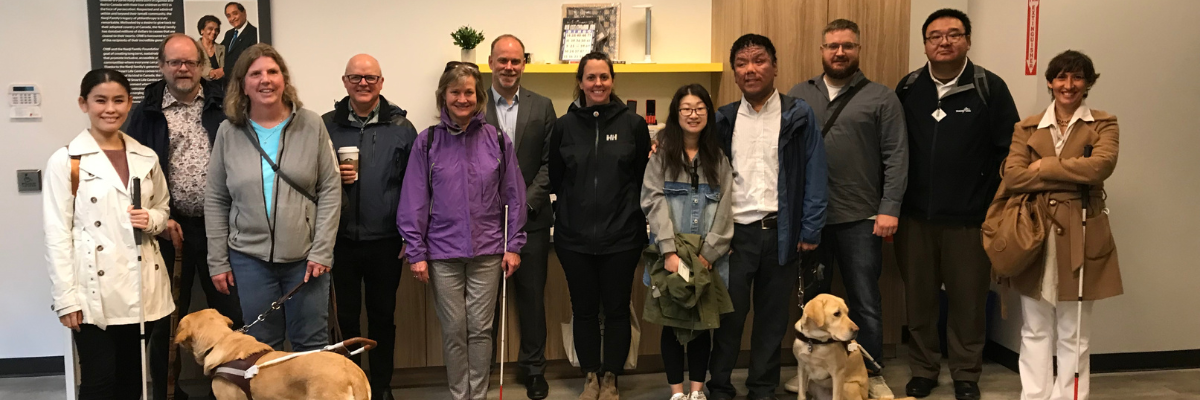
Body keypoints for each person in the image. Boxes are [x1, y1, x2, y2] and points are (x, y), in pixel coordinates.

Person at [893, 9, 1020, 400]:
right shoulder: (909, 87)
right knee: (920, 301)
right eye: (935, 36)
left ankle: (966, 373)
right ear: (925, 43)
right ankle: (924, 369)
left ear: (967, 40)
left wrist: (990, 205)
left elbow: (1010, 152)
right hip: (915, 217)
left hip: (970, 220)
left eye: (953, 34)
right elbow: (894, 149)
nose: (944, 42)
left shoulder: (989, 87)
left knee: (968, 302)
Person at [785, 19, 907, 399]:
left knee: (864, 299)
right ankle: (813, 372)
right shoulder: (799, 95)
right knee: (814, 305)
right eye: (832, 46)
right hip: (811, 221)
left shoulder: (881, 98)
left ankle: (870, 371)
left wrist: (890, 208)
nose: (840, 52)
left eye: (848, 46)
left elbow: (896, 156)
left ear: (858, 50)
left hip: (862, 218)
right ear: (821, 51)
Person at [707, 34, 828, 400]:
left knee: (772, 320)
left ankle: (762, 387)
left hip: (782, 233)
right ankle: (720, 386)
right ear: (734, 72)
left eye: (759, 60)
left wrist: (810, 228)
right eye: (742, 63)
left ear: (774, 67)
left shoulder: (797, 113)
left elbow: (815, 173)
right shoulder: (724, 119)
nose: (750, 69)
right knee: (729, 317)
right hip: (735, 237)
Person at [397, 62, 527, 400]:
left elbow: (514, 196)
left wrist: (513, 245)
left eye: (469, 91)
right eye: (455, 92)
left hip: (488, 252)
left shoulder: (497, 140)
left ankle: (478, 395)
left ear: (479, 96)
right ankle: (460, 395)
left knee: (481, 330)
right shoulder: (427, 143)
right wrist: (416, 252)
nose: (462, 98)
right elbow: (413, 200)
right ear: (443, 96)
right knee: (454, 330)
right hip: (442, 254)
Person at [124, 32, 242, 400]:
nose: (183, 68)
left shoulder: (226, 104)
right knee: (166, 321)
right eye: (174, 62)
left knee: (230, 315)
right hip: (167, 230)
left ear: (202, 66)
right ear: (161, 67)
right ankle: (168, 393)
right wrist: (156, 218)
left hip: (222, 229)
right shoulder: (143, 113)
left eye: (190, 61)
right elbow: (128, 171)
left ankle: (230, 391)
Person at [45, 68, 173, 399]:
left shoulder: (146, 156)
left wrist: (152, 219)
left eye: (118, 100)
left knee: (133, 378)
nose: (110, 109)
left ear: (130, 103)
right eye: (100, 100)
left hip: (139, 286)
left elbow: (162, 208)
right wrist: (65, 298)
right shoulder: (66, 161)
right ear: (83, 104)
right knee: (99, 381)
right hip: (92, 291)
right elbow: (57, 234)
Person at [1000, 50, 1120, 400]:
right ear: (1050, 82)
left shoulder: (1104, 123)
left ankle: (1070, 397)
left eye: (1077, 77)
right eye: (1061, 77)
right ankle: (1034, 395)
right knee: (1034, 328)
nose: (1069, 85)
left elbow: (1100, 168)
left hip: (1083, 232)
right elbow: (1012, 176)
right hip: (1033, 233)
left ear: (1088, 83)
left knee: (1074, 330)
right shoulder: (1026, 126)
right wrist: (1068, 173)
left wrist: (1042, 167)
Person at [205, 43, 340, 352]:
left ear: (284, 79)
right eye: (255, 74)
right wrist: (217, 261)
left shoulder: (312, 124)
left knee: (312, 345)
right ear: (243, 85)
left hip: (306, 259)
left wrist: (322, 251)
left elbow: (331, 189)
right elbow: (215, 198)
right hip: (250, 259)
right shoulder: (228, 131)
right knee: (260, 348)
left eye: (272, 72)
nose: (265, 79)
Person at [548, 51, 651, 400]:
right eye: (590, 77)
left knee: (618, 309)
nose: (597, 84)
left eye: (604, 77)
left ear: (612, 81)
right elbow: (557, 180)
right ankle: (590, 375)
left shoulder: (633, 124)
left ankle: (612, 379)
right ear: (580, 82)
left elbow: (641, 179)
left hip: (622, 238)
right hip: (573, 239)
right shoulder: (563, 126)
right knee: (584, 310)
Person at [323, 53, 418, 400]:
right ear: (345, 81)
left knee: (382, 317)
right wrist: (335, 174)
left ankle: (381, 388)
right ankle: (349, 387)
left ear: (381, 82)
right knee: (344, 319)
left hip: (386, 240)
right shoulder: (325, 125)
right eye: (356, 77)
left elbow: (416, 186)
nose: (363, 83)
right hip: (340, 240)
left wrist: (412, 233)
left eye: (370, 78)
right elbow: (312, 179)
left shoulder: (402, 128)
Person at [641, 83, 734, 400]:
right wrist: (668, 251)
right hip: (670, 257)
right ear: (676, 114)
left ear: (708, 113)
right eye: (686, 109)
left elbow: (726, 208)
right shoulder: (662, 157)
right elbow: (652, 201)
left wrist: (709, 254)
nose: (693, 115)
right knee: (672, 323)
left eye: (699, 108)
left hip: (709, 258)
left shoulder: (718, 159)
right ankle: (676, 393)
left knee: (701, 324)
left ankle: (697, 391)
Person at [483, 34, 557, 400]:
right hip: (484, 224)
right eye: (502, 60)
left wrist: (525, 205)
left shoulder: (542, 107)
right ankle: (482, 371)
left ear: (523, 63)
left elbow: (549, 165)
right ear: (491, 62)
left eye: (515, 61)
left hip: (532, 221)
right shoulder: (472, 103)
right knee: (486, 303)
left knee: (531, 300)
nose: (509, 67)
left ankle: (533, 370)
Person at [220, 2, 258, 74]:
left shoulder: (254, 33)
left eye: (235, 13)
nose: (232, 18)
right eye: (228, 16)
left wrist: (225, 70)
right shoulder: (229, 34)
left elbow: (249, 60)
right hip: (227, 82)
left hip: (242, 80)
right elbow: (221, 53)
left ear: (244, 13)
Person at [197, 15, 225, 80]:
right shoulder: (194, 47)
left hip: (220, 88)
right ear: (202, 30)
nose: (214, 32)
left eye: (216, 30)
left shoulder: (222, 48)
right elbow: (193, 66)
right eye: (210, 29)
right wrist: (210, 72)